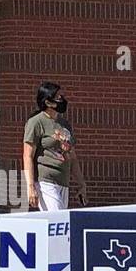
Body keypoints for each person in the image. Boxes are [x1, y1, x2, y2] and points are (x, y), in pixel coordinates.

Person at [23, 81, 83, 210]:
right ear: (48, 102)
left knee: (60, 224)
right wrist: (31, 186)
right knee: (56, 219)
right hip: (46, 181)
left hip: (63, 181)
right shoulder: (36, 122)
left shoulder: (64, 124)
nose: (61, 99)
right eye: (57, 97)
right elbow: (27, 156)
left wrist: (81, 184)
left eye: (62, 96)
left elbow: (72, 157)